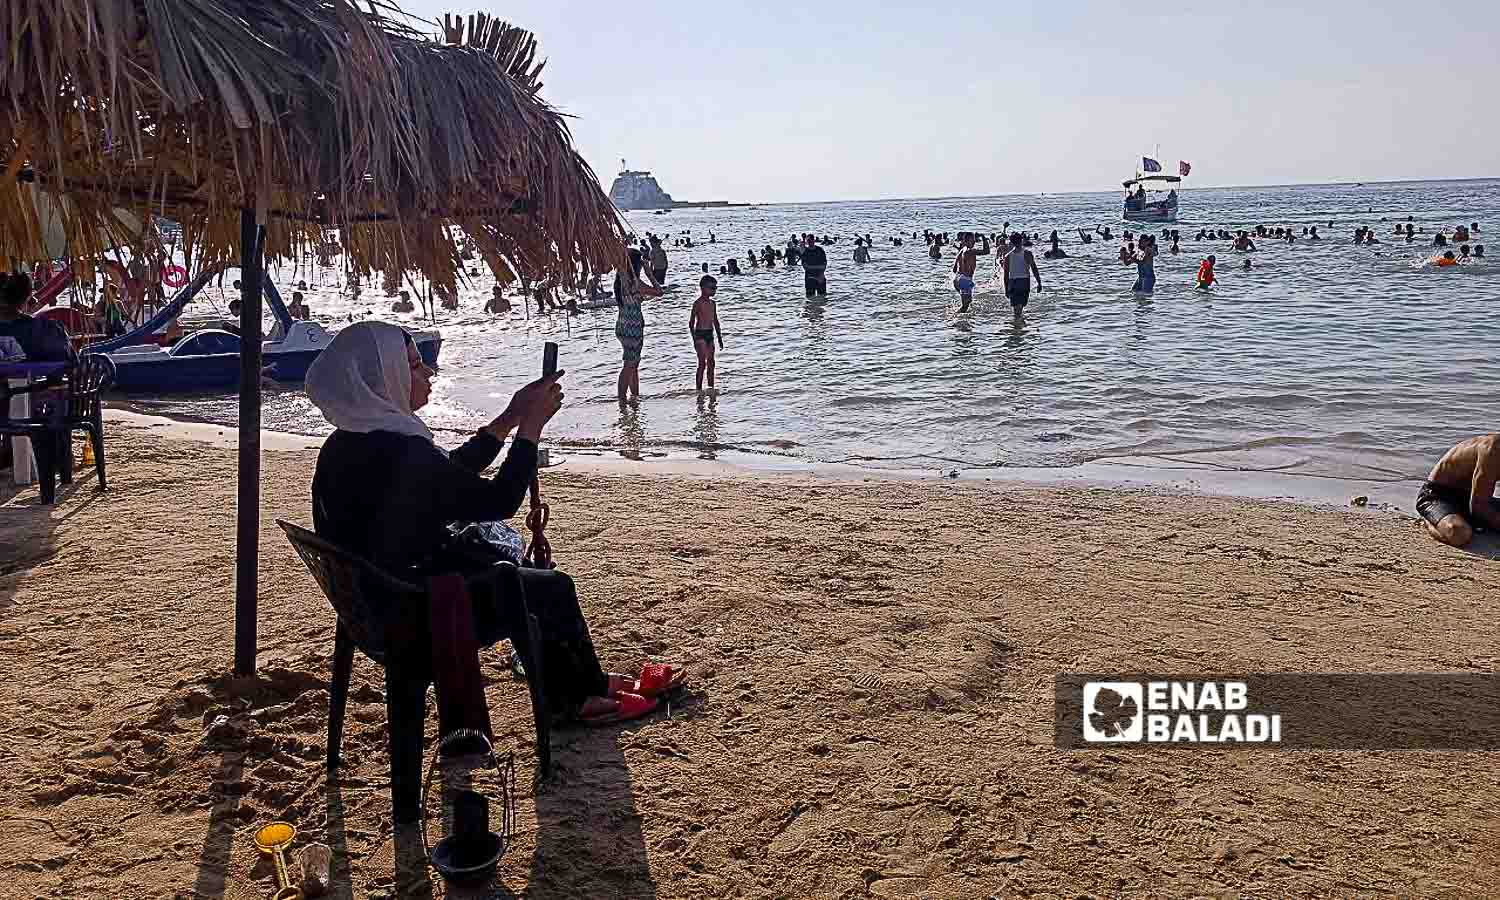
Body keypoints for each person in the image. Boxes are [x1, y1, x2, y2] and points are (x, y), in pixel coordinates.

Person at [305, 322, 680, 725]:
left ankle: (583, 680)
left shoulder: (350, 443)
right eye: (413, 366)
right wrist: (531, 430)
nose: (427, 372)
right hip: (418, 612)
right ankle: (577, 696)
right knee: (551, 587)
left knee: (524, 576)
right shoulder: (399, 452)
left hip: (378, 605)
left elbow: (446, 477)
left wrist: (509, 419)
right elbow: (499, 501)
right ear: (382, 379)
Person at [1416, 435, 1500, 547]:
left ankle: (1465, 520)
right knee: (1459, 534)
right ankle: (1429, 521)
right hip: (1438, 495)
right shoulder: (1492, 449)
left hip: (1471, 496)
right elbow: (1478, 506)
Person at [615, 248, 662, 404]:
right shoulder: (634, 282)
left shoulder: (620, 281)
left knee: (633, 364)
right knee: (630, 365)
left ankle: (634, 397)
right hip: (632, 327)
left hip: (622, 325)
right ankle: (622, 401)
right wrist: (649, 274)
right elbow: (658, 291)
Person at [0, 273, 70, 362]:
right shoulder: (49, 330)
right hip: (34, 373)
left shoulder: (46, 330)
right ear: (27, 298)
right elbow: (67, 365)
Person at [687, 275, 723, 394]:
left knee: (711, 363)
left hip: (710, 334)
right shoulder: (697, 303)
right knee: (702, 363)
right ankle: (698, 390)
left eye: (715, 288)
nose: (714, 290)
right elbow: (691, 322)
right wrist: (694, 339)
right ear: (702, 288)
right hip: (700, 334)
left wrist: (720, 338)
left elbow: (715, 321)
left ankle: (710, 388)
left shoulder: (713, 303)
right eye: (711, 288)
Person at [1000, 232, 1041, 319]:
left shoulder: (1007, 256)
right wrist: (1039, 282)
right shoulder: (1027, 253)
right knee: (1020, 307)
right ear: (1021, 240)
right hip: (1024, 282)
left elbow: (1006, 275)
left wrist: (1006, 289)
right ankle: (1018, 325)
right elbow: (1034, 269)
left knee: (1016, 308)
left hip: (1012, 282)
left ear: (1011, 242)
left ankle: (1017, 325)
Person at [952, 234, 978, 311]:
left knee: (968, 301)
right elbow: (986, 251)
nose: (974, 241)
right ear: (966, 241)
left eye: (974, 239)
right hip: (964, 280)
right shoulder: (970, 251)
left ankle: (961, 319)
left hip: (958, 279)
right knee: (965, 306)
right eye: (972, 240)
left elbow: (954, 269)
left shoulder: (962, 250)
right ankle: (953, 319)